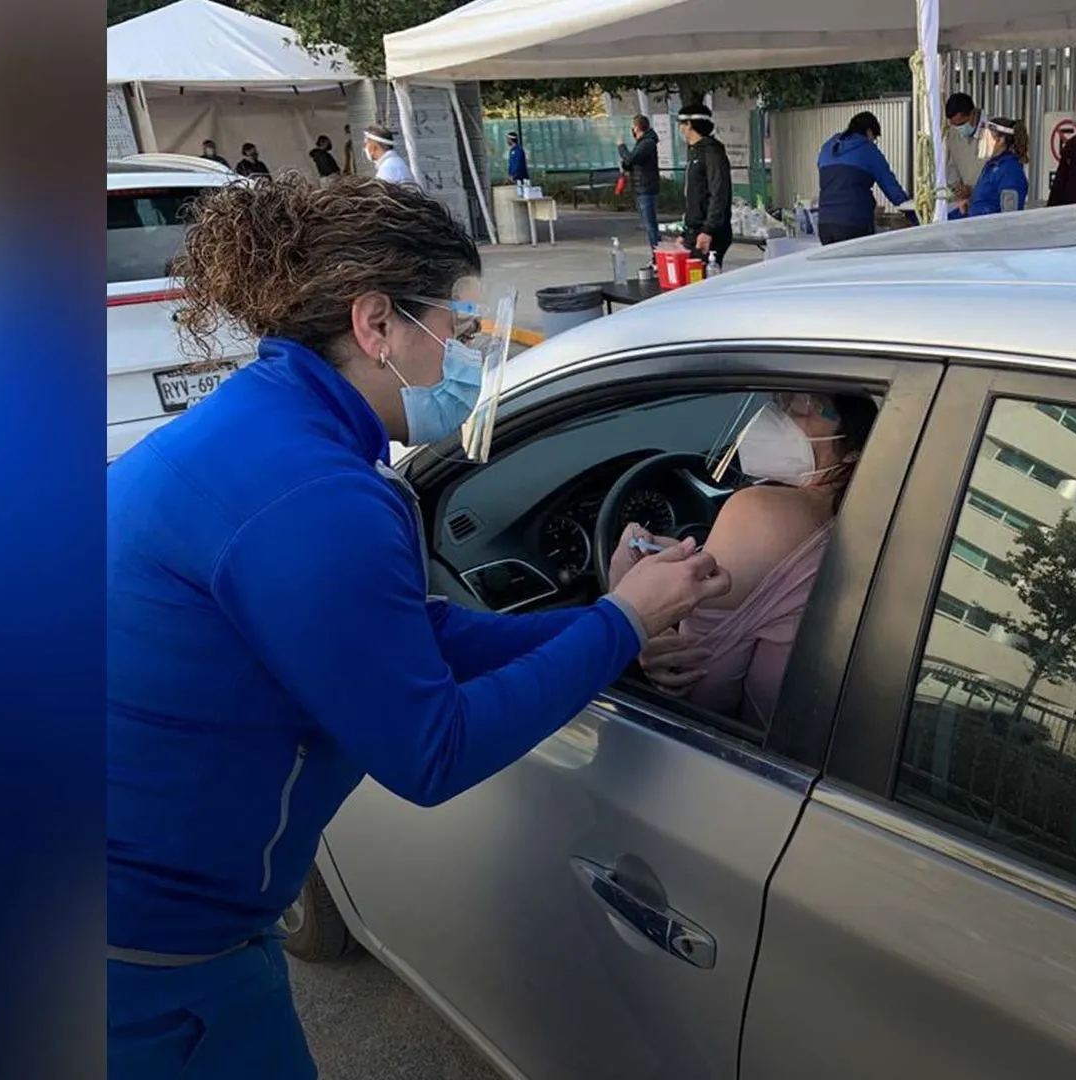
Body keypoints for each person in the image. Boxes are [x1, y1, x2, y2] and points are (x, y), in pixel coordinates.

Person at [106, 173, 731, 1080]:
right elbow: (430, 753)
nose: (465, 355)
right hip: (153, 962)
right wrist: (624, 624)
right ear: (376, 325)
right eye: (455, 326)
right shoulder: (316, 499)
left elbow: (416, 636)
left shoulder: (266, 426)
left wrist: (607, 618)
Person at [615, 392, 877, 729]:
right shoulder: (874, 520)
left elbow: (694, 689)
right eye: (781, 399)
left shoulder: (761, 512)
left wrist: (635, 594)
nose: (779, 415)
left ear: (855, 447)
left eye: (805, 406)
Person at [815, 111, 916, 246]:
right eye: (875, 138)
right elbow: (893, 190)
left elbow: (834, 182)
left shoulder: (828, 147)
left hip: (824, 224)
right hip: (853, 224)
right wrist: (916, 218)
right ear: (869, 132)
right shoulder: (868, 150)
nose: (874, 142)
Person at [677, 103, 732, 265]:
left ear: (689, 124)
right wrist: (686, 232)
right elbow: (695, 194)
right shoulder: (695, 152)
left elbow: (719, 192)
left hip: (708, 232)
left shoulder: (712, 153)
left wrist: (708, 230)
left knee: (704, 275)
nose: (680, 129)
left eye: (681, 124)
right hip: (695, 230)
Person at [967, 118, 1031, 217]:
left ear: (1000, 140)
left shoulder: (1010, 172)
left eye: (986, 138)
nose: (981, 142)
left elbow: (1009, 217)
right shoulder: (991, 166)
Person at [618, 114, 662, 257]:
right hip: (641, 187)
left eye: (633, 127)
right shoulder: (642, 143)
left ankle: (657, 256)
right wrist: (626, 164)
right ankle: (657, 254)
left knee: (650, 225)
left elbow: (631, 158)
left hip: (646, 188)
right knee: (648, 224)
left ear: (637, 128)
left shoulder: (647, 143)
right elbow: (633, 161)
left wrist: (621, 146)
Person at [942, 92, 987, 220]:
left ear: (973, 113)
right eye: (954, 125)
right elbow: (952, 166)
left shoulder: (993, 134)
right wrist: (957, 188)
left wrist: (973, 190)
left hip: (987, 205)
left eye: (961, 124)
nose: (959, 129)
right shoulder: (953, 133)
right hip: (964, 205)